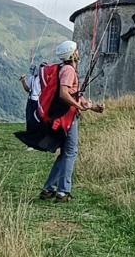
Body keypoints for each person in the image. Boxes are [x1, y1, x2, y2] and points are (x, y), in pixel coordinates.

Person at [40, 40, 104, 203]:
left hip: (64, 115)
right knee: (70, 152)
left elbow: (74, 94)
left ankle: (49, 189)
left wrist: (92, 107)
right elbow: (64, 93)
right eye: (76, 50)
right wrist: (78, 106)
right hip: (67, 117)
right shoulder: (68, 70)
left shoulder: (64, 69)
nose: (78, 52)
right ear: (72, 54)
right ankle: (63, 192)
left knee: (65, 153)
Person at [19, 62, 44, 132]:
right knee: (29, 115)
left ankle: (37, 131)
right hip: (31, 99)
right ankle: (29, 130)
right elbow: (28, 89)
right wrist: (23, 81)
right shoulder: (31, 78)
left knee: (36, 117)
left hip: (38, 100)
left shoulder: (41, 78)